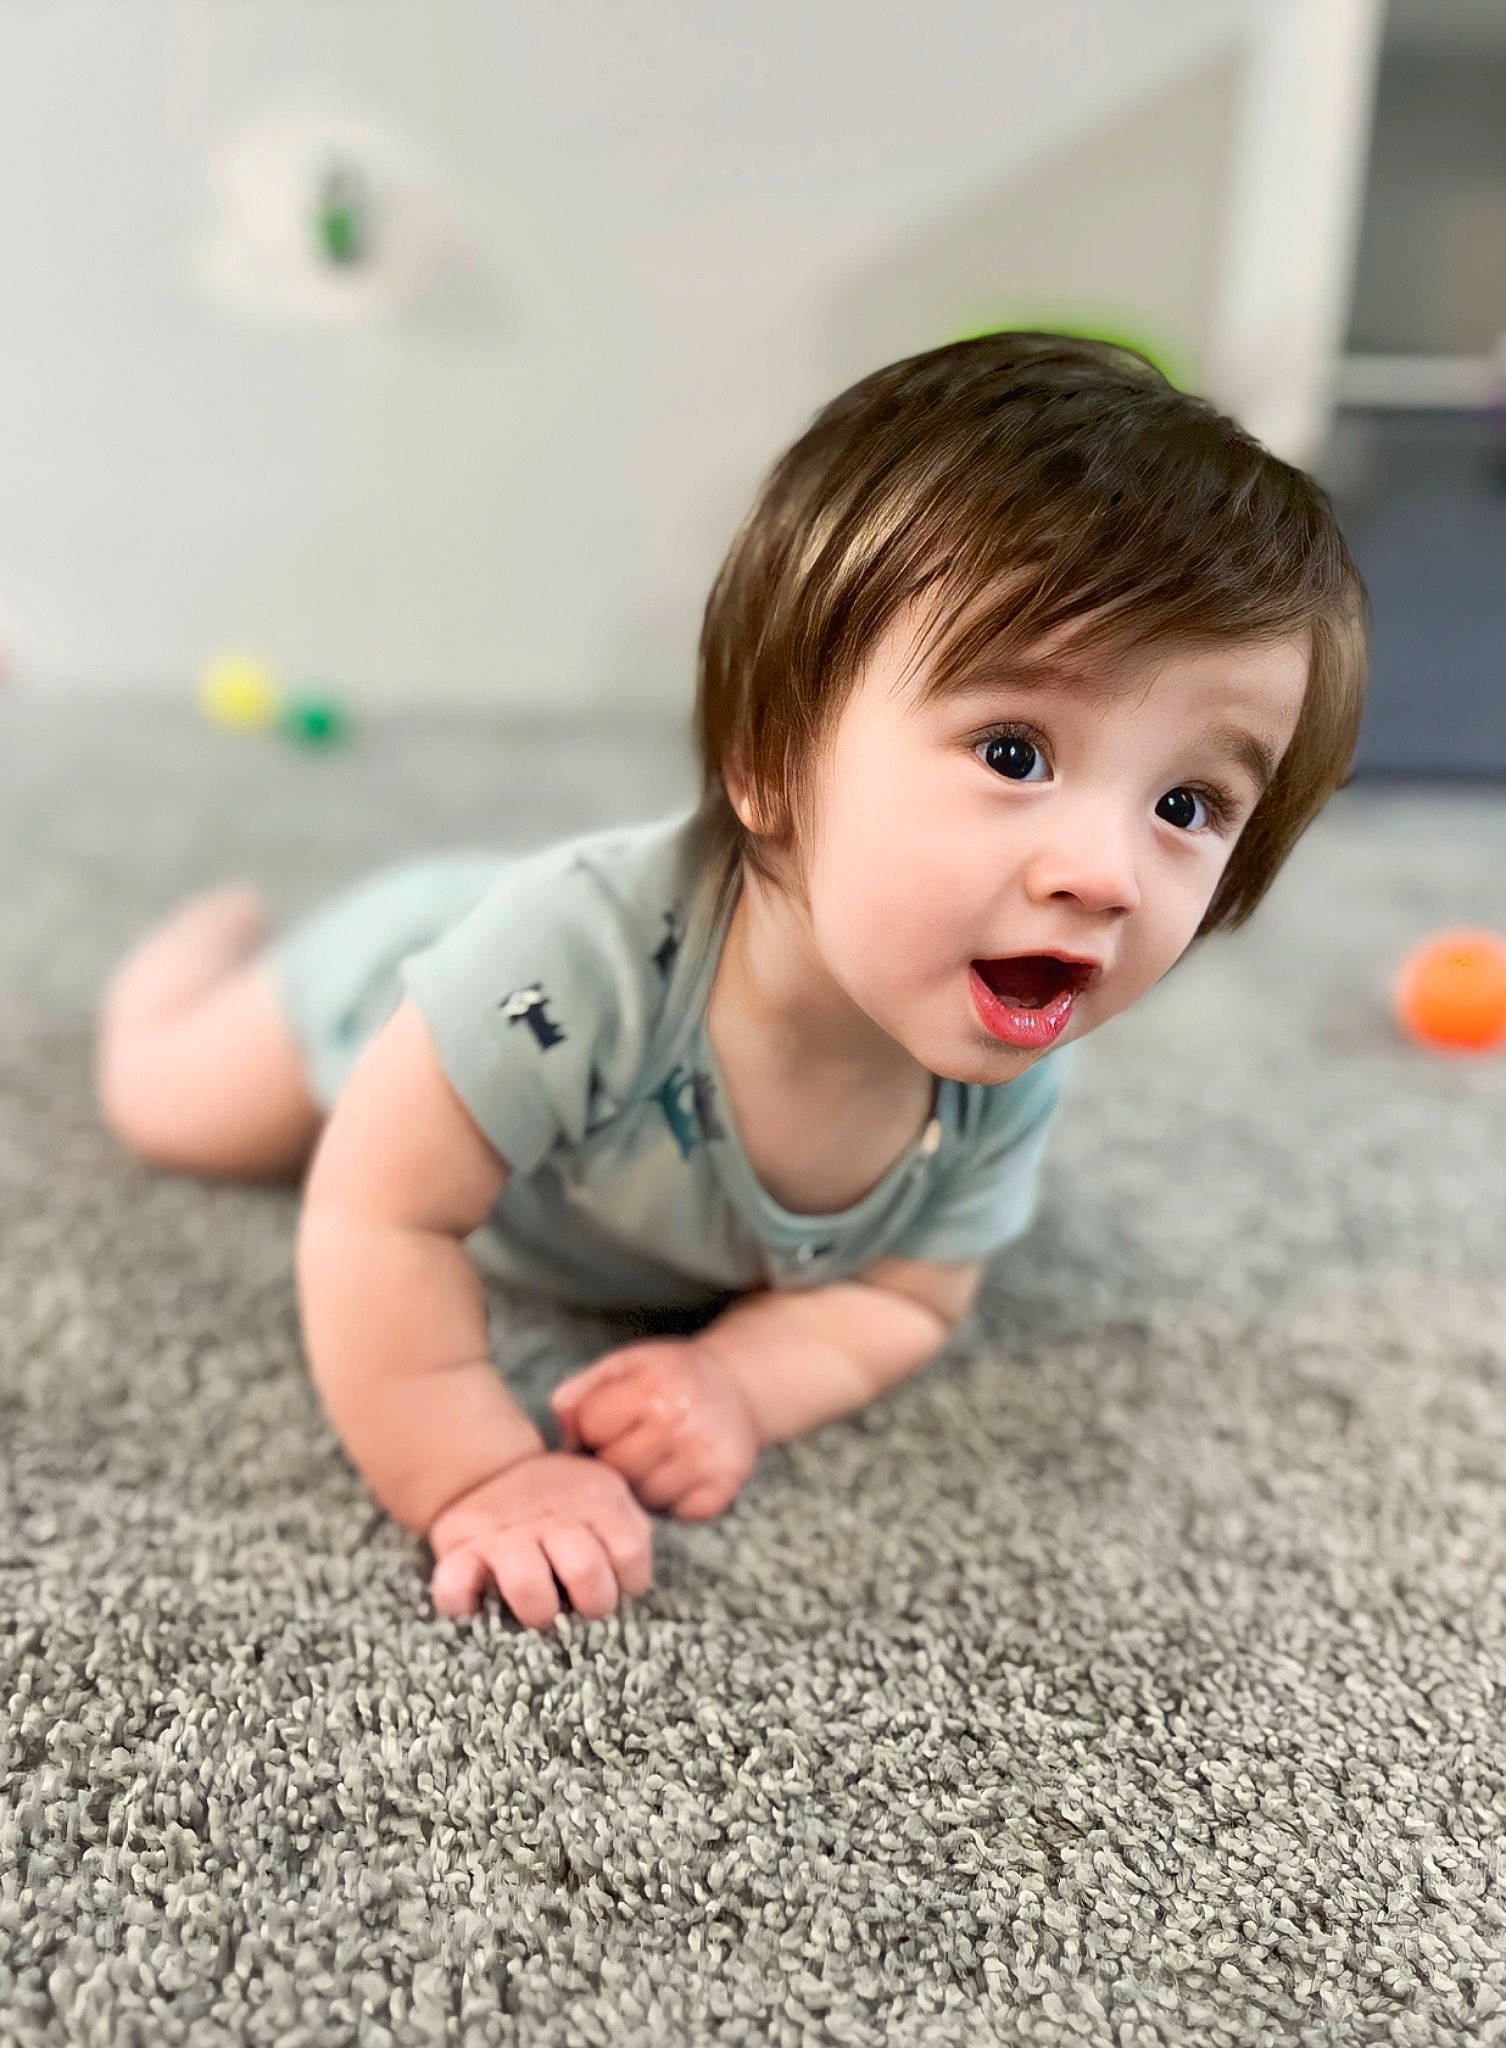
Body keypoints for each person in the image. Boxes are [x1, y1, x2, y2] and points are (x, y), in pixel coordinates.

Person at [93, 333, 1369, 1632]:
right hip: (394, 987)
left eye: (1185, 801)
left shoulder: (1001, 1067)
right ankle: (196, 958)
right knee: (168, 1106)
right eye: (1012, 750)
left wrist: (735, 1384)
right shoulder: (567, 965)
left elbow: (899, 1297)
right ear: (767, 760)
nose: (1103, 873)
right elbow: (381, 1215)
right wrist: (478, 1471)